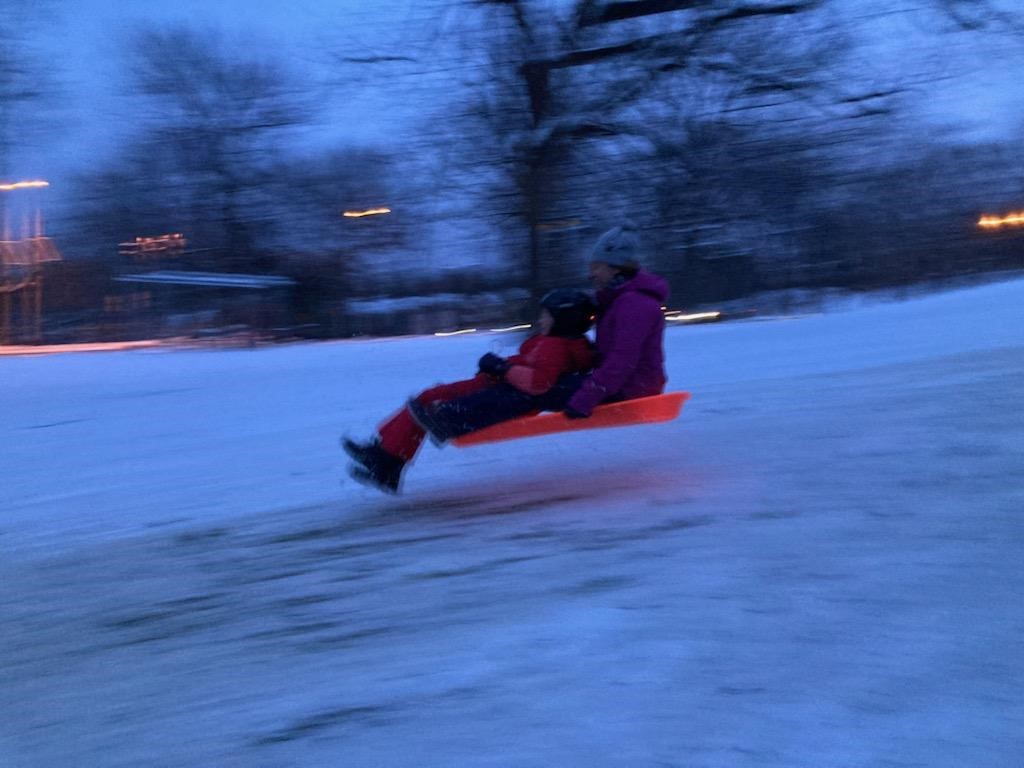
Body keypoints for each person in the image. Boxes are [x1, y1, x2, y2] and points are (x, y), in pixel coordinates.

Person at [343, 289, 596, 493]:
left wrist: (500, 366)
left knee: (426, 402)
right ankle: (385, 458)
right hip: (497, 383)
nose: (541, 320)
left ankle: (386, 461)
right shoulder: (560, 343)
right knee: (424, 401)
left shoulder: (556, 346)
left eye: (546, 316)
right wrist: (501, 367)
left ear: (564, 319)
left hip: (499, 386)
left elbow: (537, 382)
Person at [537, 222, 669, 418]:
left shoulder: (635, 304)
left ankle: (481, 419)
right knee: (545, 382)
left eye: (596, 267)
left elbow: (622, 361)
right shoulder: (615, 301)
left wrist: (586, 398)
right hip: (621, 384)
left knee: (540, 389)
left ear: (615, 268)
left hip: (633, 389)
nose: (591, 274)